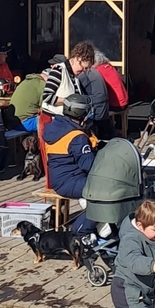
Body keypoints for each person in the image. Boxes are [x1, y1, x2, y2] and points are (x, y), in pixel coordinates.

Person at [44, 94, 99, 234]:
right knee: (105, 192)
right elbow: (89, 165)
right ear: (81, 113)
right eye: (88, 111)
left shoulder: (58, 126)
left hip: (59, 179)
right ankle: (79, 232)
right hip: (71, 181)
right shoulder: (77, 137)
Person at [41, 42, 95, 115]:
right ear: (78, 58)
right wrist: (69, 102)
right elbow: (46, 97)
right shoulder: (59, 70)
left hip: (66, 120)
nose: (83, 72)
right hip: (52, 119)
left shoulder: (74, 77)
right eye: (83, 68)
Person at [79, 50, 114, 140]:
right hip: (104, 107)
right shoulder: (94, 71)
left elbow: (77, 91)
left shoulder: (84, 74)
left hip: (97, 110)